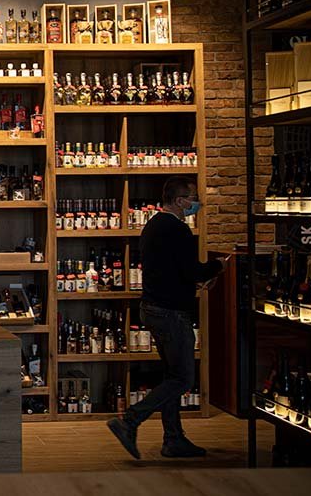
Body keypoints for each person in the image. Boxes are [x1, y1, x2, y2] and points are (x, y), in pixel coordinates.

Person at [107, 176, 224, 459]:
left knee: (171, 376)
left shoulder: (152, 225)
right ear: (180, 200)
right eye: (193, 198)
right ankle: (130, 420)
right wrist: (217, 266)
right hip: (171, 312)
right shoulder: (178, 230)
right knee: (182, 379)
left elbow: (170, 269)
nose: (197, 203)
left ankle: (174, 439)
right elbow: (192, 271)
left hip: (152, 307)